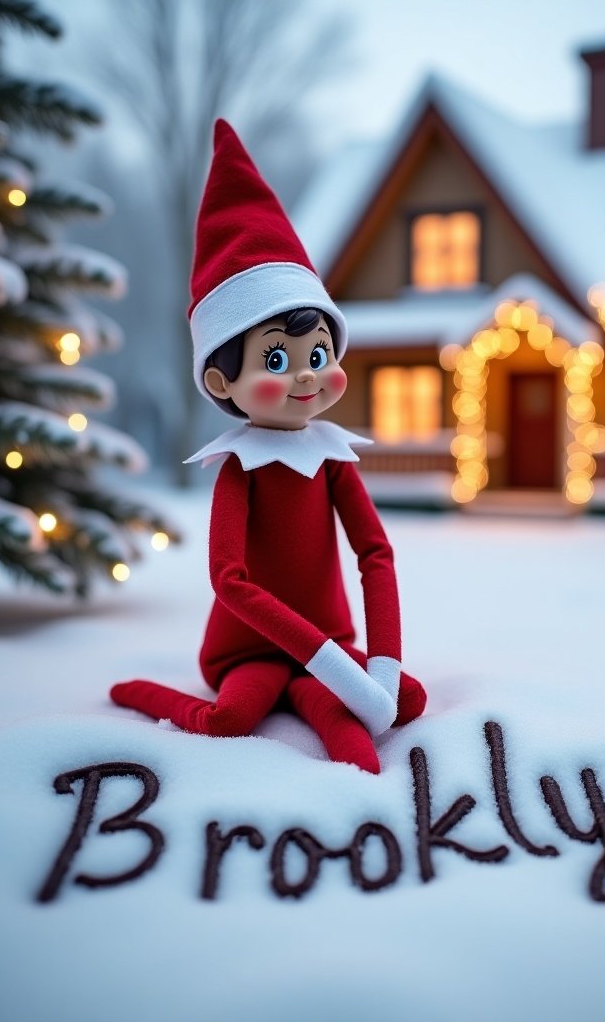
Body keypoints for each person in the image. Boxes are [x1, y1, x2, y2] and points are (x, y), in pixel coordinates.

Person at [110, 121, 426, 773]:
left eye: (318, 353)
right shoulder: (240, 469)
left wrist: (384, 666)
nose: (307, 375)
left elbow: (375, 551)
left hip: (332, 645)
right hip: (248, 649)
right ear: (221, 381)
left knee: (398, 708)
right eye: (278, 358)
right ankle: (144, 694)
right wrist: (328, 661)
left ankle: (360, 777)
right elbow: (230, 580)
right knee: (230, 718)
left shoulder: (332, 459)